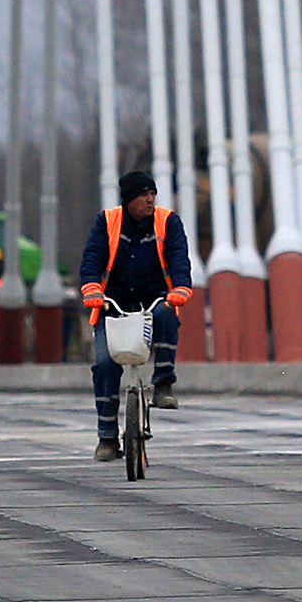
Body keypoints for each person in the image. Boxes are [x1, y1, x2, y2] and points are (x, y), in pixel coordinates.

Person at [77, 169, 194, 463]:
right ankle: (106, 438)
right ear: (129, 199)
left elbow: (179, 256)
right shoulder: (108, 221)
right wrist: (92, 289)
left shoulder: (168, 221)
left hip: (152, 300)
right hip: (112, 304)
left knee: (167, 314)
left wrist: (181, 287)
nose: (150, 200)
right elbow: (92, 257)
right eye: (144, 195)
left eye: (153, 194)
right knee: (104, 366)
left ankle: (164, 383)